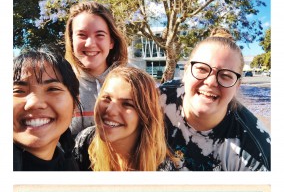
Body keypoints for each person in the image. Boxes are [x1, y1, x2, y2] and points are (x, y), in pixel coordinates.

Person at [160, 27, 271, 171]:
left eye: (225, 75)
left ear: (237, 85)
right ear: (186, 72)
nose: (211, 82)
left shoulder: (255, 152)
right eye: (202, 69)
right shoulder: (155, 100)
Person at [73, 66, 183, 171]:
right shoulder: (84, 143)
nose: (110, 110)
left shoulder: (164, 170)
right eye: (107, 98)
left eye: (127, 104)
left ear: (145, 115)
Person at [65, 1, 128, 136]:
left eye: (100, 35)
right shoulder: (60, 85)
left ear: (111, 42)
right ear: (71, 40)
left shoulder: (132, 84)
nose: (90, 43)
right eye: (82, 35)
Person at [13, 47, 82, 171]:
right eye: (18, 91)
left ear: (75, 105)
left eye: (52, 89)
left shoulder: (70, 167)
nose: (34, 103)